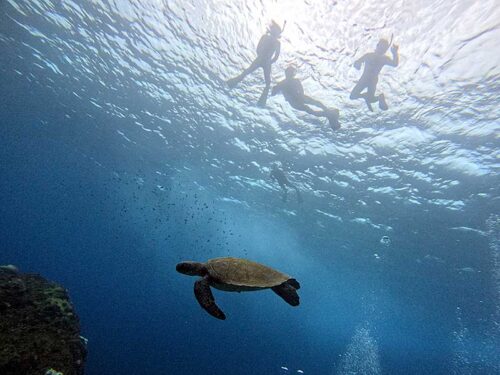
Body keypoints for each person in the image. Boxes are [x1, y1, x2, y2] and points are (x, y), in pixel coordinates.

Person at [226, 21, 283, 107]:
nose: (275, 32)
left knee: (265, 81)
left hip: (264, 60)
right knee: (249, 73)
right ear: (272, 30)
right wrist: (267, 59)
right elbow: (261, 49)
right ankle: (234, 82)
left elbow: (275, 56)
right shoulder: (267, 38)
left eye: (277, 31)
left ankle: (261, 100)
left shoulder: (276, 42)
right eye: (275, 30)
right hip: (263, 60)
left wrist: (268, 60)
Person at [271, 66, 340, 130]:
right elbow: (273, 94)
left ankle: (327, 112)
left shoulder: (289, 82)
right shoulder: (283, 83)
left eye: (292, 72)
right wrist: (275, 89)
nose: (291, 74)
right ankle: (327, 113)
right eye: (290, 72)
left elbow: (301, 90)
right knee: (310, 108)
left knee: (314, 104)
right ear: (287, 73)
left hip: (298, 98)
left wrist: (275, 89)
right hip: (294, 101)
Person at [350, 38, 399, 111]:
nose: (382, 50)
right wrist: (357, 65)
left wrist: (395, 53)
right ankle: (375, 97)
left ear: (385, 50)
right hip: (366, 79)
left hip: (370, 80)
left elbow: (394, 64)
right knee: (354, 96)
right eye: (381, 47)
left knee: (356, 96)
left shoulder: (382, 58)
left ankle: (370, 97)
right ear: (377, 46)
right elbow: (357, 62)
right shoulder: (370, 56)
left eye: (384, 48)